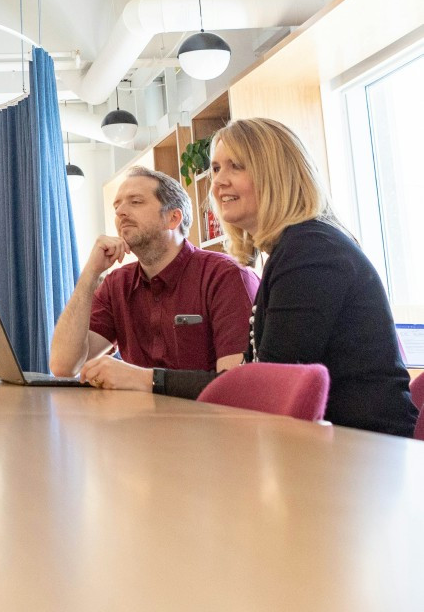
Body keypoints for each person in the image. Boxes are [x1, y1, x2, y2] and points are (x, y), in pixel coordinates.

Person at [81, 118, 419, 438]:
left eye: (236, 166)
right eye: (215, 168)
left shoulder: (311, 251)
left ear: (276, 173)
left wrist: (147, 379)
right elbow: (251, 374)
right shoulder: (294, 250)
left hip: (367, 455)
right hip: (330, 447)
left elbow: (265, 389)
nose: (218, 181)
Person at [48, 166, 258, 378]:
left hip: (204, 411)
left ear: (173, 218)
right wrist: (90, 274)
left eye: (136, 202)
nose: (120, 212)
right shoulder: (116, 285)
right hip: (136, 411)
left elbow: (235, 385)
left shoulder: (226, 277)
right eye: (117, 206)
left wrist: (144, 380)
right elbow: (63, 366)